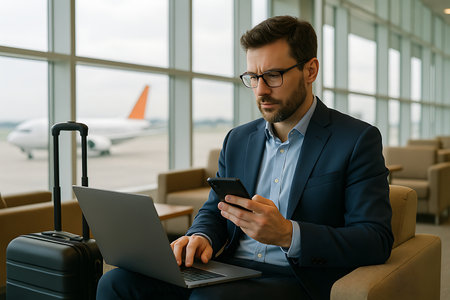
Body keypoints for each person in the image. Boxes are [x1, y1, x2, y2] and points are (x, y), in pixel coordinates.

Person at [97, 15, 393, 300]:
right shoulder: (238, 139)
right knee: (117, 283)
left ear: (310, 70)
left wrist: (288, 234)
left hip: (295, 278)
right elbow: (215, 210)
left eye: (273, 76)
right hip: (228, 268)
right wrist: (201, 236)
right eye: (253, 77)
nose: (261, 90)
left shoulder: (356, 139)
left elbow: (375, 239)